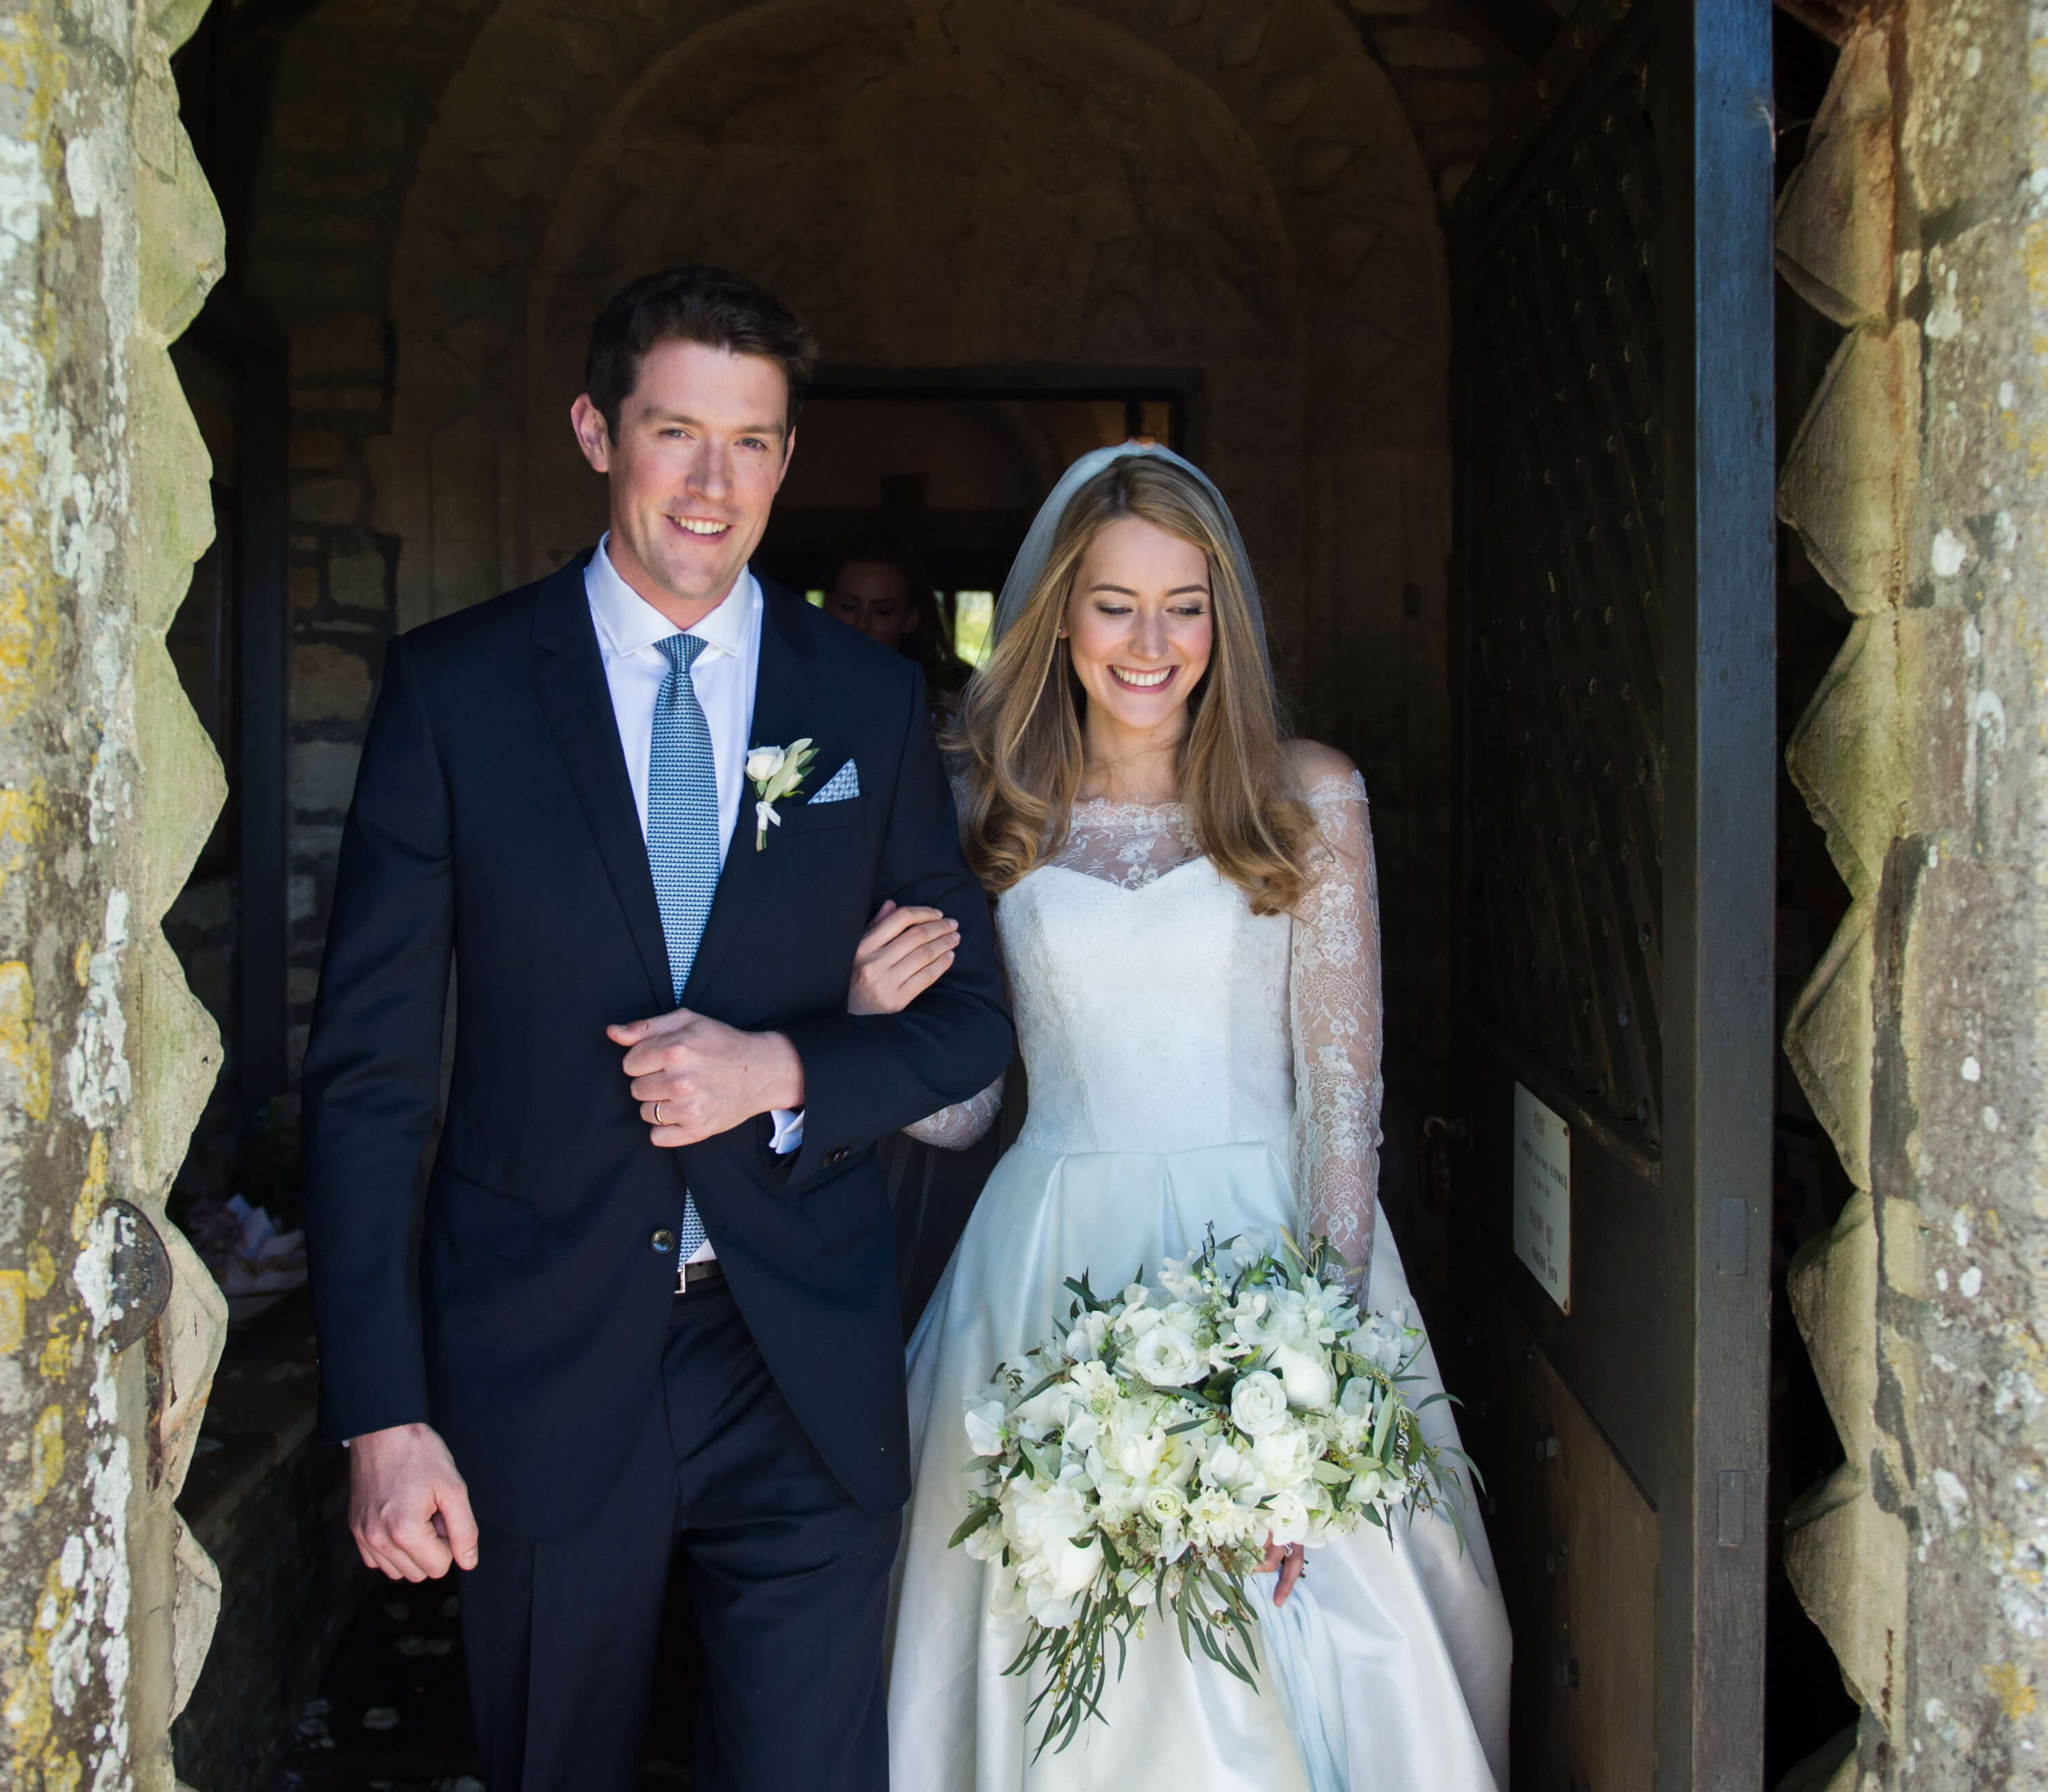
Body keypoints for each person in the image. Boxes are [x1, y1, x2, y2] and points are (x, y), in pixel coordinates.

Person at [301, 265, 1012, 1792]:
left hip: (797, 1353)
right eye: (675, 432)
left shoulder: (868, 703)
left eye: (750, 441)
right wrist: (382, 1409)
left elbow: (967, 1023)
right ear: (594, 431)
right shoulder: (458, 691)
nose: (712, 482)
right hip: (538, 1352)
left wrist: (788, 1068)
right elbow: (365, 1083)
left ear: (785, 459)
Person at [879, 447, 1513, 1790]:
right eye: (1114, 603)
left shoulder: (1306, 795)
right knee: (1045, 1628)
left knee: (1306, 1624)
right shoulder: (994, 804)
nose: (1149, 641)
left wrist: (1316, 1376)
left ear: (1225, 615)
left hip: (1265, 1252)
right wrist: (879, 1014)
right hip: (1045, 1254)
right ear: (1059, 614)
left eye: (1184, 603)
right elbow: (961, 1113)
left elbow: (1344, 1108)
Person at [820, 531, 971, 734]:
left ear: (910, 619)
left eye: (883, 611)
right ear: (827, 607)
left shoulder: (945, 711)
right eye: (848, 607)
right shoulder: (794, 689)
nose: (862, 624)